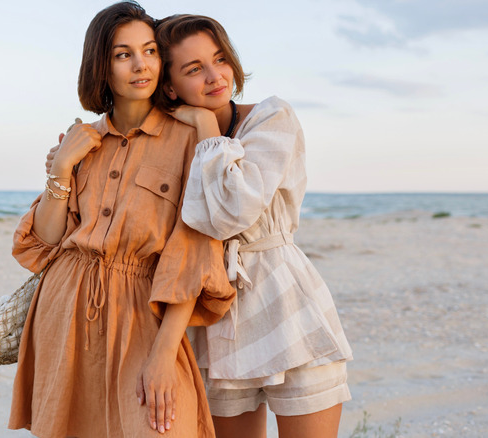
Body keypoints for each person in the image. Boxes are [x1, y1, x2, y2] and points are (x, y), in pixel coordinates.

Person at [9, 3, 235, 438]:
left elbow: (193, 250)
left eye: (149, 51)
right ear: (102, 66)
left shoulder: (192, 138)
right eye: (123, 54)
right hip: (66, 310)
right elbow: (44, 243)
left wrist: (164, 354)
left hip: (144, 313)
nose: (141, 65)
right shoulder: (82, 140)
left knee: (164, 424)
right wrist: (61, 170)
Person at [152, 14, 355, 438]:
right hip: (212, 313)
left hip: (285, 302)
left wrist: (208, 128)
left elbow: (233, 211)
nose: (214, 76)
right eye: (194, 69)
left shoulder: (271, 118)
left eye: (220, 59)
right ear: (169, 86)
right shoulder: (170, 138)